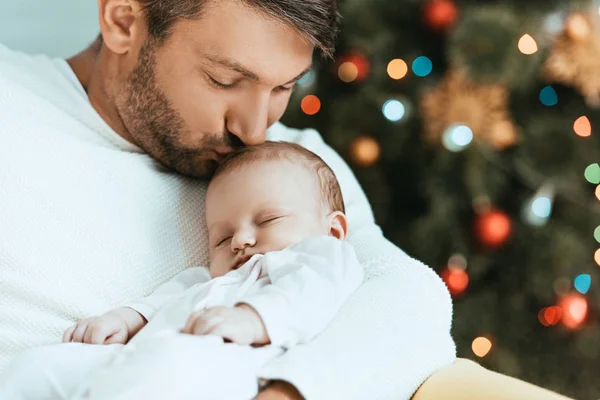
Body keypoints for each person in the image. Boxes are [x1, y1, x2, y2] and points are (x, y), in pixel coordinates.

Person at [0, 0, 571, 399]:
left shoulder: (290, 167)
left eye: (282, 87)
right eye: (226, 80)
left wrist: (286, 392)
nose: (255, 127)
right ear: (124, 20)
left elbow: (408, 300)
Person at [0, 142, 365, 399]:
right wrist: (124, 319)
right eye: (221, 238)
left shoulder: (319, 258)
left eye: (267, 219)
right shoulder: (204, 281)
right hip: (131, 358)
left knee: (167, 367)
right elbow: (160, 302)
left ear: (333, 230)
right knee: (38, 366)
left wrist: (253, 320)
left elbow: (313, 293)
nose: (240, 240)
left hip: (217, 367)